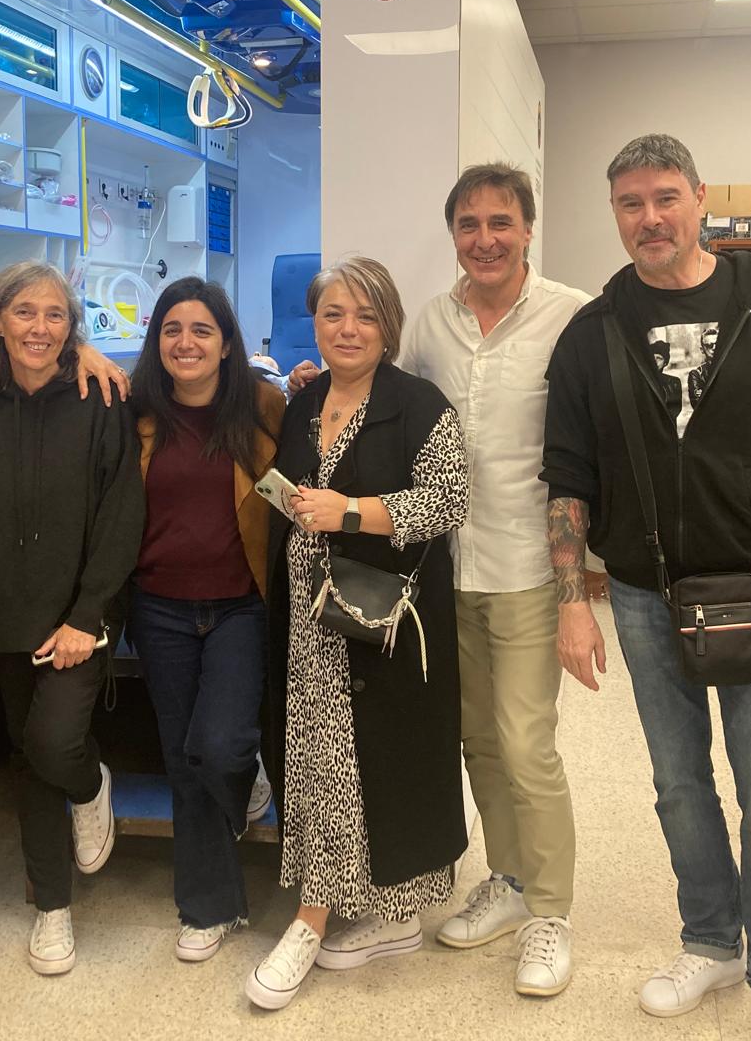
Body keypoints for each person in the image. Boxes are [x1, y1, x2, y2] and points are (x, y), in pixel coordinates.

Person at [542, 134, 751, 1041]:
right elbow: (568, 478)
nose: (650, 218)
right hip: (643, 596)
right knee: (679, 783)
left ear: (700, 199)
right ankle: (711, 940)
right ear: (615, 213)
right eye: (630, 203)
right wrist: (572, 602)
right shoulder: (594, 330)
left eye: (665, 197)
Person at [293, 164, 588, 996]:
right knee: (478, 741)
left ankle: (551, 913)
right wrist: (316, 382)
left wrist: (580, 588)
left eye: (500, 222)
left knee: (526, 742)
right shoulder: (430, 321)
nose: (484, 239)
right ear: (453, 233)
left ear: (528, 229)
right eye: (468, 224)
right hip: (444, 573)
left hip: (527, 566)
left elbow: (592, 441)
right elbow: (383, 392)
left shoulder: (571, 315)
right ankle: (509, 879)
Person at [247, 256, 469, 1011]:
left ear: (389, 326)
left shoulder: (418, 404)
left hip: (381, 619)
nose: (348, 329)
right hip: (309, 619)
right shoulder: (304, 401)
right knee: (319, 759)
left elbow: (448, 500)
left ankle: (330, 919)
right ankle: (361, 908)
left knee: (382, 758)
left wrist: (349, 512)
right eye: (333, 314)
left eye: (365, 316)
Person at [0, 261, 144, 977]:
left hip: (81, 609)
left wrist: (88, 614)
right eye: (25, 312)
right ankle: (53, 908)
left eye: (56, 315)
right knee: (25, 753)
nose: (39, 327)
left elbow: (122, 513)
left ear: (72, 328)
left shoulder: (101, 397)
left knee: (53, 740)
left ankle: (91, 784)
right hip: (7, 609)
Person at [126, 276, 286, 964]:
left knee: (219, 746)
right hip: (158, 607)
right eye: (172, 329)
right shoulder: (134, 412)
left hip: (240, 605)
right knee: (182, 759)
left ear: (226, 344)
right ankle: (209, 905)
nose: (185, 342)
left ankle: (245, 774)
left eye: (201, 330)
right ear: (156, 341)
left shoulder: (264, 406)